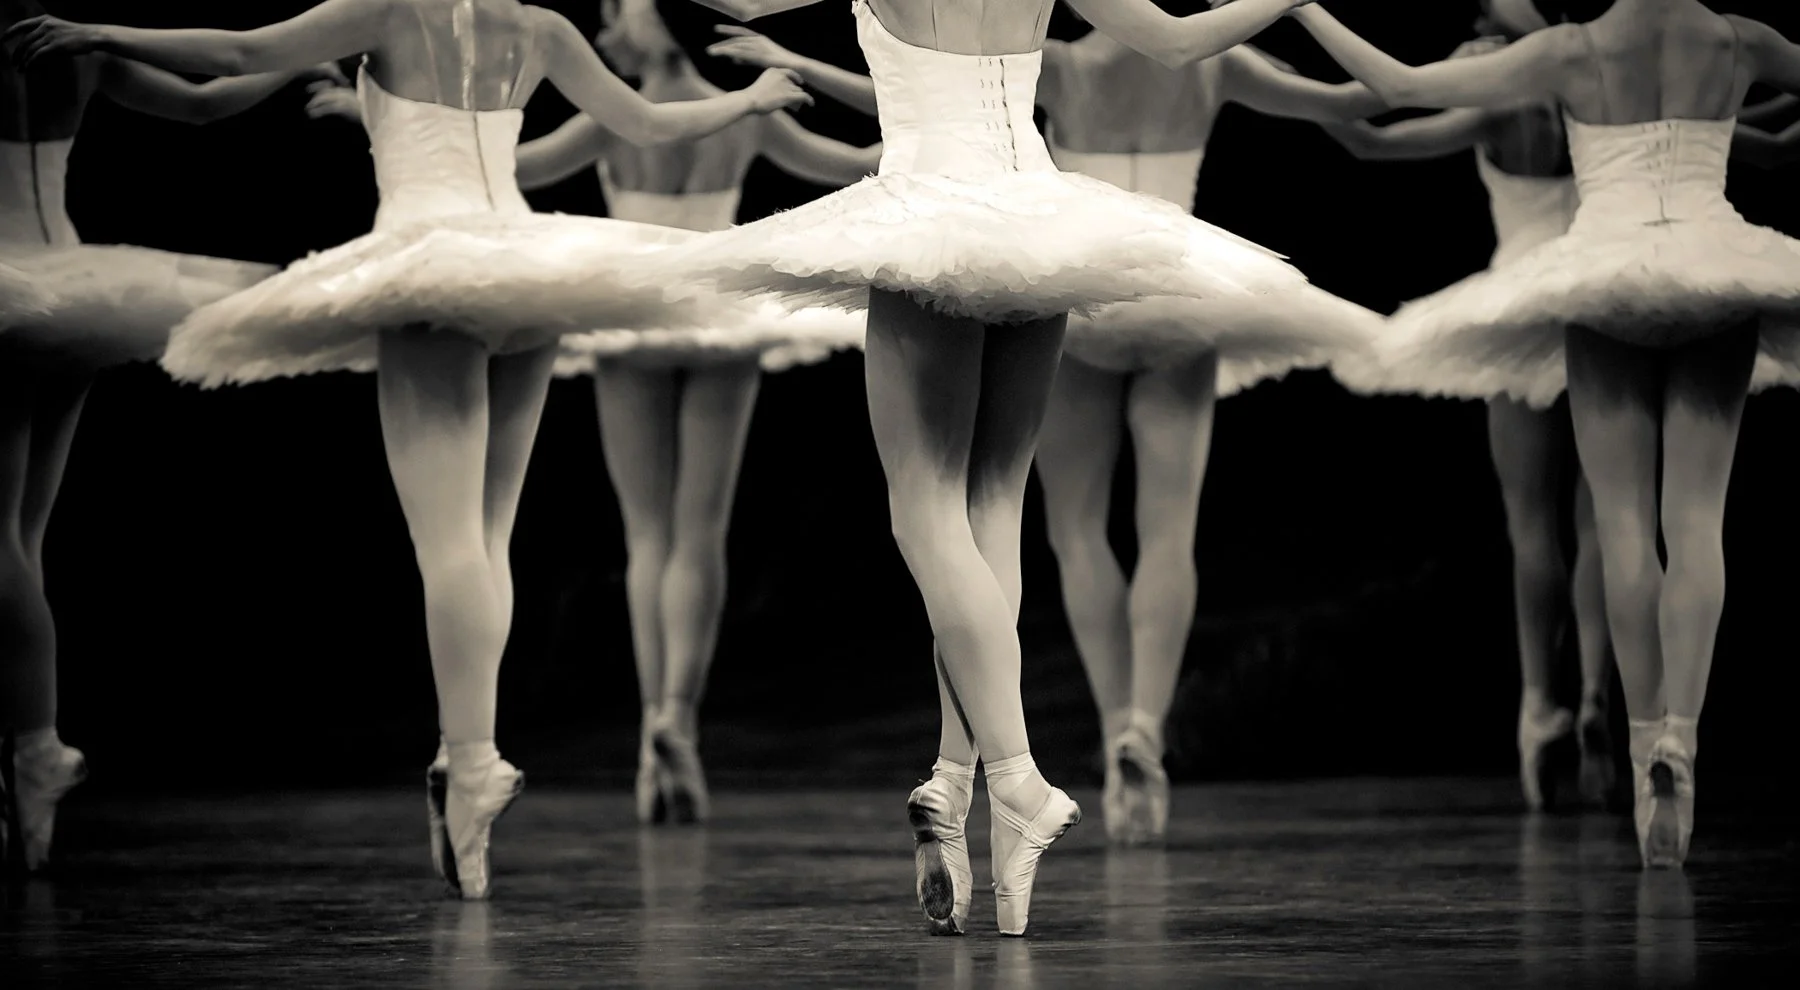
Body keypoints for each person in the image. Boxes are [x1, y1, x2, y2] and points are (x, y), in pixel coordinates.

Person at [5, 0, 808, 899]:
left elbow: (237, 51)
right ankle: (473, 760)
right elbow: (648, 121)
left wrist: (106, 31)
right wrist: (749, 100)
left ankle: (474, 757)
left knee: (448, 540)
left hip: (430, 261)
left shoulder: (384, 9)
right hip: (529, 267)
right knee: (491, 535)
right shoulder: (538, 25)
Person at [670, 0, 1326, 937]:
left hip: (931, 214)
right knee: (993, 509)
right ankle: (956, 778)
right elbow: (1179, 39)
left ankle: (1018, 780)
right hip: (1039, 220)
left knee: (924, 507)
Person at [1291, 0, 1800, 868]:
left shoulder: (1574, 50)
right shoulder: (1739, 40)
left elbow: (1399, 85)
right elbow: (1782, 146)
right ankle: (1681, 737)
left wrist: (1303, 7)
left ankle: (1641, 747)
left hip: (1605, 282)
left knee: (1623, 526)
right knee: (1695, 523)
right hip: (1717, 271)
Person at [0, 0, 344, 873]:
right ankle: (28, 755)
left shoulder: (57, 48)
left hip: (14, 286)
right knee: (23, 537)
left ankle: (35, 742)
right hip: (71, 283)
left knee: (5, 540)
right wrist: (297, 64)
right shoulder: (74, 50)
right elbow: (201, 103)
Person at [1319, 0, 1619, 813]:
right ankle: (1599, 691)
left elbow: (1374, 139)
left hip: (1519, 306)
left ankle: (1540, 702)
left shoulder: (1494, 92)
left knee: (1531, 523)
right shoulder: (1599, 77)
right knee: (1606, 518)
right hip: (1607, 292)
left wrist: (1311, 102)